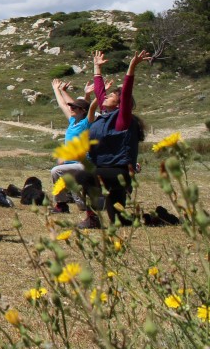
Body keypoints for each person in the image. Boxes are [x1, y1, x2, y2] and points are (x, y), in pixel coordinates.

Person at [76, 50, 150, 228]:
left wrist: (131, 67)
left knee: (84, 176)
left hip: (118, 172)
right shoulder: (105, 115)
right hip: (104, 169)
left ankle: (92, 218)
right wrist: (97, 68)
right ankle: (146, 218)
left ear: (119, 104)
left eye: (112, 96)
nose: (106, 97)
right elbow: (100, 92)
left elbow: (125, 93)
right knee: (120, 221)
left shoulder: (122, 119)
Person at [48, 78, 92, 214]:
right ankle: (63, 204)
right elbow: (63, 104)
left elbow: (92, 106)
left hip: (82, 163)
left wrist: (91, 94)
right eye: (71, 107)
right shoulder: (73, 121)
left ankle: (63, 204)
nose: (71, 108)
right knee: (81, 204)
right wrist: (57, 89)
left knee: (56, 171)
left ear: (83, 111)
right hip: (71, 163)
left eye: (74, 107)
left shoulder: (86, 123)